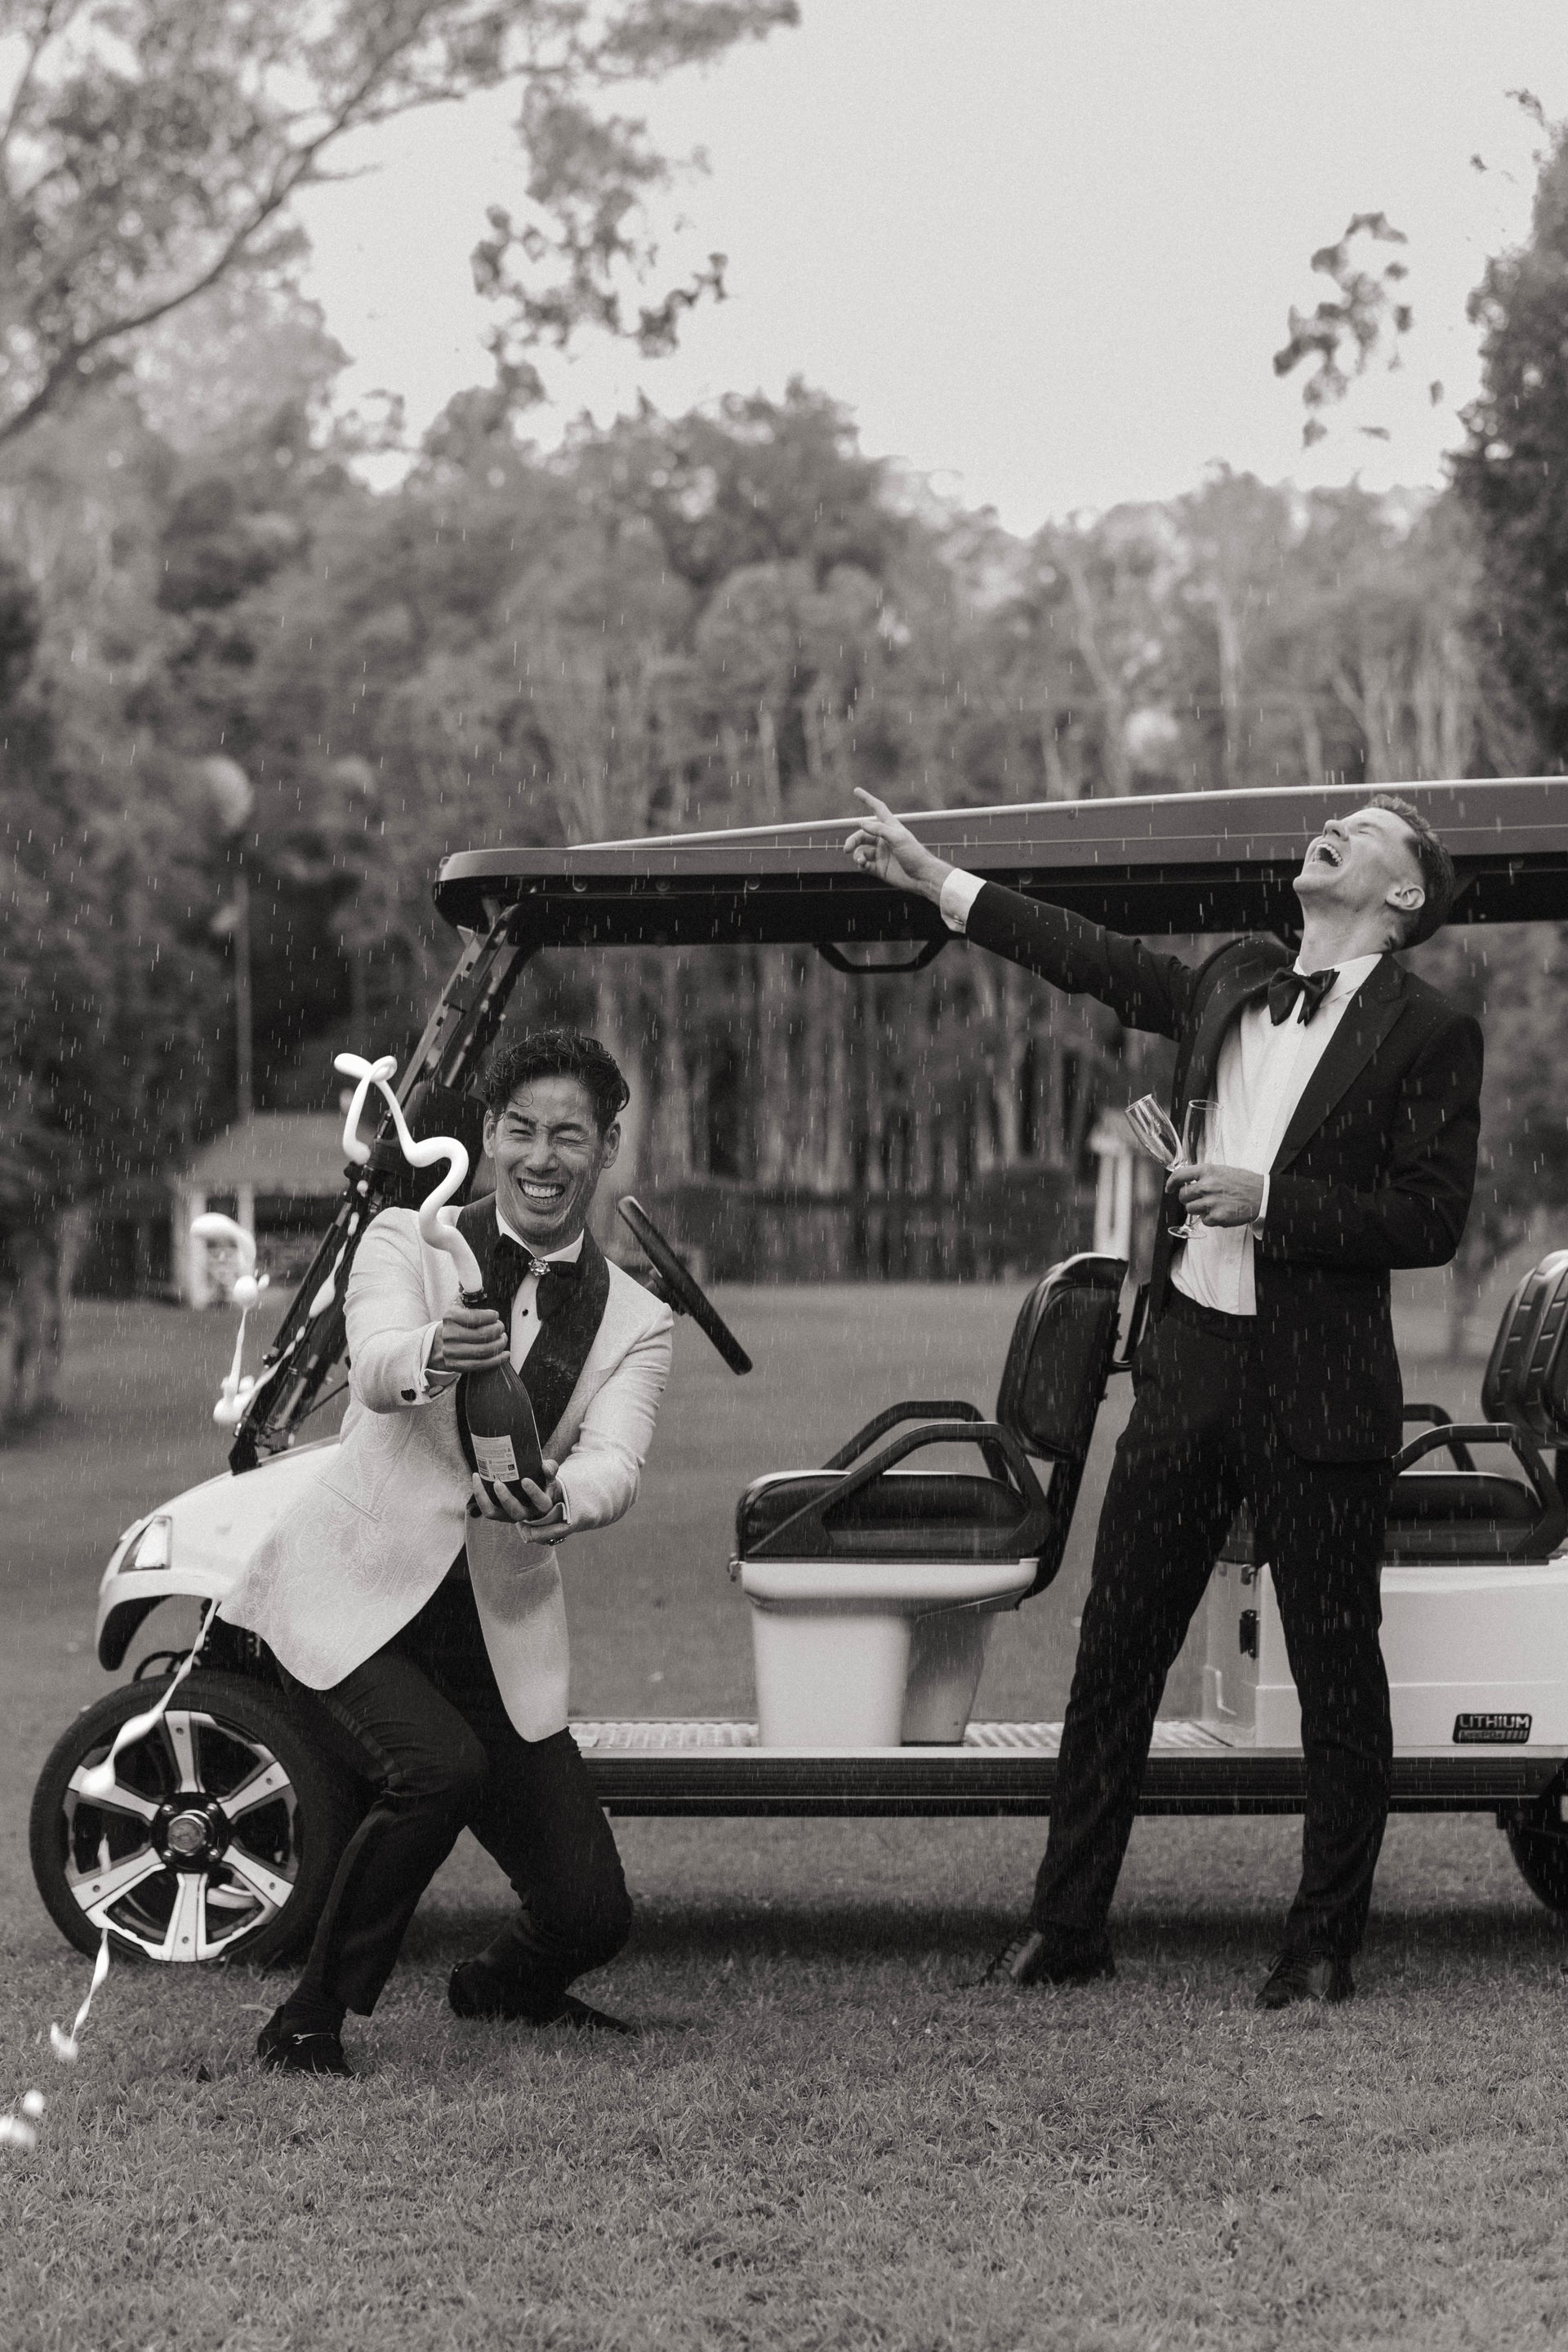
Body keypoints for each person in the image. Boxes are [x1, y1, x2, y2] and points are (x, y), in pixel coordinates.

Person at [843, 788, 1481, 2007]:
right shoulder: (1236, 973)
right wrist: (938, 881)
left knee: (1341, 1671)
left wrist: (1274, 1204)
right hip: (1188, 1367)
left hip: (1323, 1390)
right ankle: (1068, 1923)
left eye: (1369, 825)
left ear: (1403, 897)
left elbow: (1431, 1221)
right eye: (1334, 818)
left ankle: (1323, 1942)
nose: (1334, 826)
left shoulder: (1431, 1031)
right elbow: (1090, 959)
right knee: (1117, 1653)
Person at [222, 1029, 673, 2074]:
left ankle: (500, 1991)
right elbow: (375, 1364)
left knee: (592, 1914)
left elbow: (617, 1461)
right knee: (437, 1772)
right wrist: (432, 1352)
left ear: (608, 1148)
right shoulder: (401, 1240)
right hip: (352, 1594)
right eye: (521, 1130)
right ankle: (305, 2021)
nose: (542, 1157)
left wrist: (564, 1498)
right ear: (486, 1133)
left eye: (570, 1135)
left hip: (496, 1623)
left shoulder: (639, 1320)